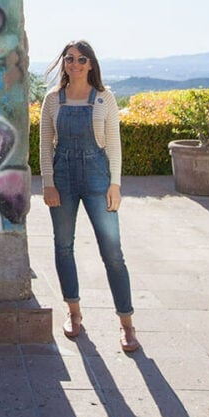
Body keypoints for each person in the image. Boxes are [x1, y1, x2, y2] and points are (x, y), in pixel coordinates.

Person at [39, 39, 140, 353]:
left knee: (113, 252)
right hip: (63, 180)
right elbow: (44, 145)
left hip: (98, 179)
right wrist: (48, 183)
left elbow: (113, 145)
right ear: (64, 63)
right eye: (69, 58)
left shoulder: (104, 98)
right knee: (63, 246)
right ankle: (74, 312)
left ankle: (126, 324)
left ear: (91, 64)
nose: (75, 63)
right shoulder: (53, 100)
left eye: (82, 59)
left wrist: (115, 184)